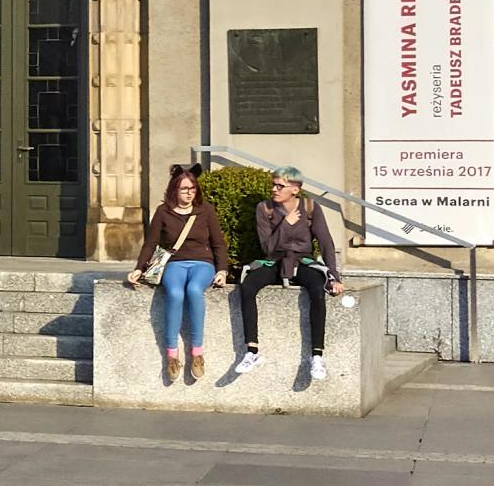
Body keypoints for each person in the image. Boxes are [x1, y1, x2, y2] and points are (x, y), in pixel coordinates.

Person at [230, 174, 343, 388]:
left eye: (280, 186)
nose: (274, 189)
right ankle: (251, 351)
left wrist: (334, 277)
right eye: (273, 185)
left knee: (317, 289)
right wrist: (285, 224)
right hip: (275, 261)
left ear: (295, 189)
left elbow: (326, 242)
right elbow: (268, 248)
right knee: (248, 286)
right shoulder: (264, 208)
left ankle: (317, 356)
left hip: (303, 261)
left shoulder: (310, 207)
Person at [126, 166, 225, 385]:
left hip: (202, 263)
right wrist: (139, 268)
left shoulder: (206, 210)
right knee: (175, 293)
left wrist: (222, 270)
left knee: (194, 290)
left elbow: (218, 243)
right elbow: (151, 243)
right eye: (184, 189)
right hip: (174, 263)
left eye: (193, 188)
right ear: (174, 190)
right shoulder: (163, 212)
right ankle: (172, 355)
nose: (189, 193)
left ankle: (197, 353)